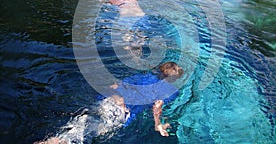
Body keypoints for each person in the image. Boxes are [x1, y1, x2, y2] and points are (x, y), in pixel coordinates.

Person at [34, 62, 184, 144]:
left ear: (159, 70)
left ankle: (54, 140)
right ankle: (63, 142)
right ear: (174, 80)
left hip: (110, 101)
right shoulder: (170, 91)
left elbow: (115, 85)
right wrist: (158, 124)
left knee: (84, 120)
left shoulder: (143, 75)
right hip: (122, 112)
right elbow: (157, 107)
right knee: (91, 131)